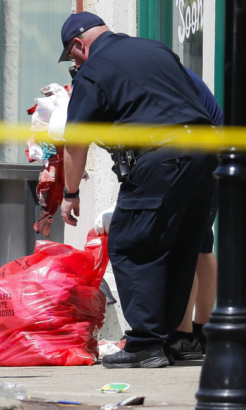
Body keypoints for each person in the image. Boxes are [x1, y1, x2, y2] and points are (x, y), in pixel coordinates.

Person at [58, 12, 217, 368]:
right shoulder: (155, 49)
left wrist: (70, 195)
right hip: (205, 156)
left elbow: (75, 141)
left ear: (80, 45)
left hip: (164, 157)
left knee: (131, 244)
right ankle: (166, 339)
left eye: (72, 56)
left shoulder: (95, 69)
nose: (75, 63)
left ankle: (145, 343)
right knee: (179, 248)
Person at [167, 67, 223, 360]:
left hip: (201, 159)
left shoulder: (166, 76)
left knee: (188, 246)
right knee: (201, 245)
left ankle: (185, 335)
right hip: (208, 157)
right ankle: (200, 332)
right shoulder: (171, 71)